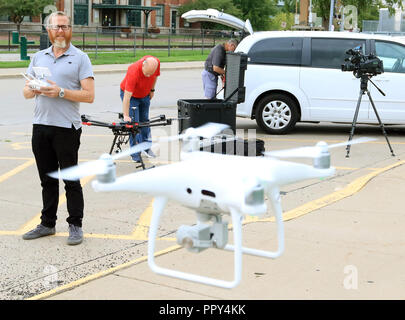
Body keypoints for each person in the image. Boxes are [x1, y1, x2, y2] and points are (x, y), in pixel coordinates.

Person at [22, 11, 95, 245]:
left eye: (64, 26)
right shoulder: (38, 57)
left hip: (66, 128)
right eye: (56, 27)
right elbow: (25, 93)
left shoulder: (81, 58)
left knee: (70, 179)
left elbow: (89, 95)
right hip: (41, 126)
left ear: (70, 29)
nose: (60, 31)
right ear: (48, 31)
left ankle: (75, 225)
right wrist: (35, 88)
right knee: (47, 179)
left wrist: (61, 92)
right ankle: (47, 224)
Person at [120, 55, 160, 162]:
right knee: (134, 125)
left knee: (145, 122)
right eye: (146, 73)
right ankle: (135, 153)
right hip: (132, 97)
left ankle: (146, 148)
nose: (148, 76)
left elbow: (155, 77)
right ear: (143, 65)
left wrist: (152, 90)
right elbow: (126, 97)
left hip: (145, 95)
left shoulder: (156, 63)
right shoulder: (133, 71)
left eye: (150, 74)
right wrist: (126, 115)